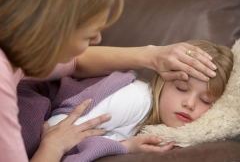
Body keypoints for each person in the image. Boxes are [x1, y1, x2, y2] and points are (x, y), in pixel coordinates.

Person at [0, 0, 217, 162]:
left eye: (207, 101)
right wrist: (53, 145)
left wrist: (152, 55)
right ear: (54, 25)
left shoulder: (20, 60)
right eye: (89, 35)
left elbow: (76, 63)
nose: (97, 41)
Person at [48, 39, 233, 154]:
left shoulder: (164, 129)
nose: (189, 104)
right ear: (162, 81)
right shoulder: (137, 98)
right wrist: (123, 146)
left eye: (205, 100)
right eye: (181, 88)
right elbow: (57, 130)